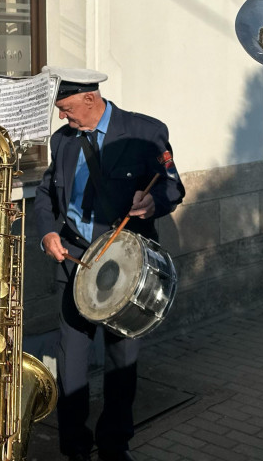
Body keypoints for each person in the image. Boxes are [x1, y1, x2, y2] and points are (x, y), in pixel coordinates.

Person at [33, 67, 185, 461]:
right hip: (76, 263)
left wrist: (154, 202)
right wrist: (48, 232)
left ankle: (115, 445)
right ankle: (75, 448)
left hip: (124, 269)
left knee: (122, 361)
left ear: (89, 98)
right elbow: (47, 192)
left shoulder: (144, 132)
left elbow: (172, 185)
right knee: (71, 361)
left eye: (67, 109)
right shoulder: (62, 141)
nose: (63, 117)